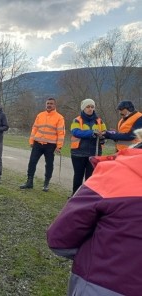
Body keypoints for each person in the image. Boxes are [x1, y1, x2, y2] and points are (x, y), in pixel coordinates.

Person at [47, 129, 142, 295]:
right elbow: (75, 130)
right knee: (77, 176)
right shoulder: (81, 120)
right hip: (78, 151)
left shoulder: (115, 174)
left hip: (103, 284)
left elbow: (59, 238)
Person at [20, 97, 65, 192]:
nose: (49, 105)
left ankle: (46, 184)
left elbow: (61, 133)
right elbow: (34, 129)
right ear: (46, 104)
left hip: (50, 145)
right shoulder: (40, 115)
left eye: (51, 103)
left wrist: (59, 146)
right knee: (32, 162)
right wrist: (31, 141)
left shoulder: (59, 117)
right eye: (48, 103)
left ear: (55, 105)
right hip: (37, 143)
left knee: (49, 164)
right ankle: (29, 182)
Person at [70, 98, 107, 195]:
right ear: (83, 108)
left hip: (94, 153)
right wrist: (92, 133)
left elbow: (104, 132)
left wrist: (103, 136)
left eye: (92, 107)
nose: (90, 109)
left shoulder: (99, 121)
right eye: (88, 107)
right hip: (78, 153)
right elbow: (76, 132)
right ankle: (75, 195)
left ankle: (86, 197)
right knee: (78, 176)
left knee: (90, 177)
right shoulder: (77, 120)